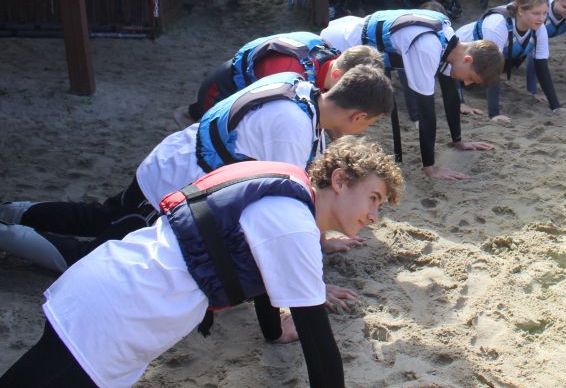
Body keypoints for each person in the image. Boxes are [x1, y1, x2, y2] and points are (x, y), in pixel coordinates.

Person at [0, 137, 404, 388]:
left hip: (112, 285)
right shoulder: (295, 226)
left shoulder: (285, 191)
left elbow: (264, 277)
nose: (374, 217)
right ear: (339, 180)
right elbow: (320, 347)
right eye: (373, 198)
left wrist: (273, 331)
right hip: (118, 316)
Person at [0, 66, 394, 274]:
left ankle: (13, 210)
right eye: (370, 123)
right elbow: (282, 211)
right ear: (359, 116)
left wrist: (321, 241)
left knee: (100, 216)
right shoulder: (293, 128)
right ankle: (6, 232)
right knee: (88, 258)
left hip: (172, 159)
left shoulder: (302, 90)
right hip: (169, 185)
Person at [321, 8, 503, 181]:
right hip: (341, 42)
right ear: (467, 59)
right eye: (471, 78)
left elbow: (451, 94)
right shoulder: (427, 47)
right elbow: (425, 110)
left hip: (350, 31)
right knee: (337, 110)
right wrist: (430, 168)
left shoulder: (450, 41)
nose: (467, 83)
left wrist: (458, 141)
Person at [174, 34, 382, 126]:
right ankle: (191, 116)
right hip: (219, 94)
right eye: (353, 89)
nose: (352, 97)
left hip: (243, 81)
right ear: (337, 74)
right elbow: (269, 120)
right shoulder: (292, 75)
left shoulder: (332, 59)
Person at [455, 0, 565, 123]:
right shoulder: (498, 25)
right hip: (456, 55)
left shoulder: (539, 28)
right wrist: (494, 114)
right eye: (536, 13)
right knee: (480, 71)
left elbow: (541, 66)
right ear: (521, 11)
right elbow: (492, 67)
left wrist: (556, 107)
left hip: (480, 60)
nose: (541, 18)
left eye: (544, 13)